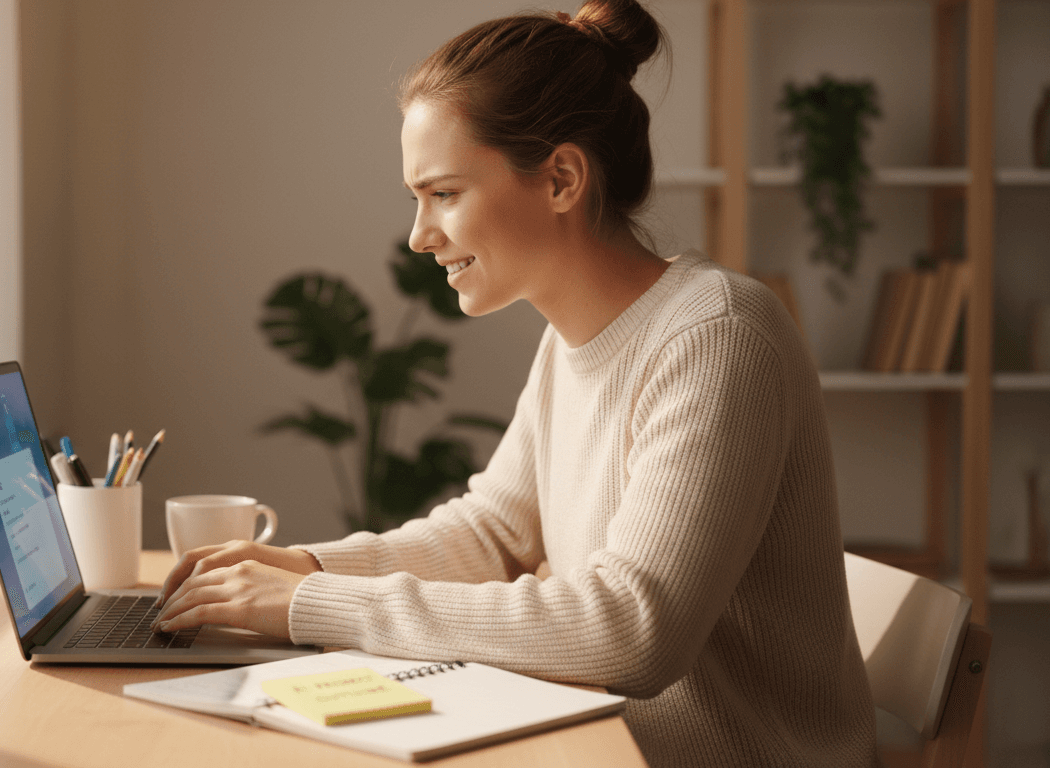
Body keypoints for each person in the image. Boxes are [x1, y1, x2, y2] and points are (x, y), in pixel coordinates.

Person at [154, 1, 879, 765]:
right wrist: (310, 568)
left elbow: (634, 631)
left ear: (562, 178)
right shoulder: (576, 339)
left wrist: (310, 606)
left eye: (445, 193)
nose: (419, 234)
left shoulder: (717, 335)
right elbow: (495, 533)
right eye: (417, 198)